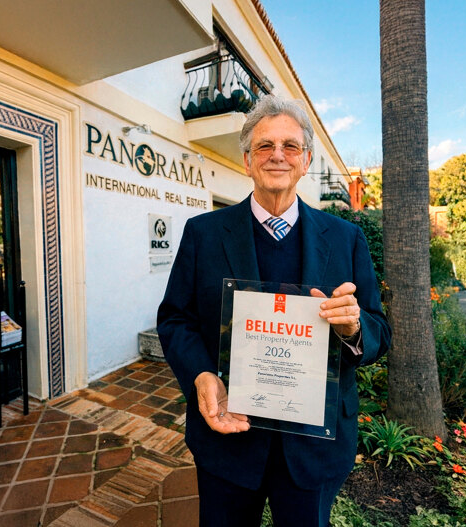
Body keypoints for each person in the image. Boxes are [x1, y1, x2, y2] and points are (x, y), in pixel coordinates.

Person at [157, 95, 391, 527]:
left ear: (305, 161)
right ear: (247, 161)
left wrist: (353, 327)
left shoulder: (346, 239)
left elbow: (378, 328)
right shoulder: (203, 233)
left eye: (290, 146)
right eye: (264, 145)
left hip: (313, 447)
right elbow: (175, 319)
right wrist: (201, 374)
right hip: (229, 436)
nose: (277, 155)